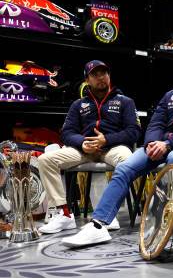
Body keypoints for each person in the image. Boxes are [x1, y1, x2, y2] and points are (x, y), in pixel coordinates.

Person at [62, 49, 173, 247]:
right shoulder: (170, 95)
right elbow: (155, 124)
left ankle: (164, 223)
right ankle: (98, 225)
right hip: (161, 145)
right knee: (124, 168)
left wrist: (168, 143)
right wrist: (151, 144)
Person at [38, 60, 140, 234]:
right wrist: (82, 142)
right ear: (87, 80)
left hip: (113, 147)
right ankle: (64, 214)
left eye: (104, 73)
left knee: (127, 159)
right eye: (95, 74)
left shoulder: (126, 102)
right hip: (83, 150)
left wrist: (106, 140)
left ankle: (108, 213)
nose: (101, 77)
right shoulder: (78, 105)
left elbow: (134, 132)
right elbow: (66, 133)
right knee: (45, 160)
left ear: (109, 76)